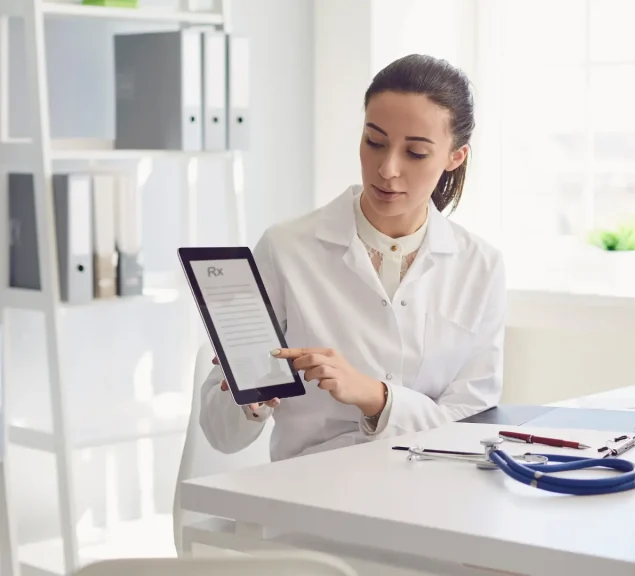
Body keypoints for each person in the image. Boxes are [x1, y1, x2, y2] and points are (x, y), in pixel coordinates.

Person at [199, 54, 506, 462]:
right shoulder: (286, 248)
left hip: (432, 494)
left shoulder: (480, 266)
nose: (387, 169)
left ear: (455, 157)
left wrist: (376, 397)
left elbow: (471, 425)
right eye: (374, 142)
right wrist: (249, 397)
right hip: (310, 499)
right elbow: (221, 435)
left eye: (415, 153)